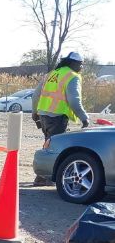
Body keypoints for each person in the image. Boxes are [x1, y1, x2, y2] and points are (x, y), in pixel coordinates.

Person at [31, 51, 89, 183]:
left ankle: (41, 177)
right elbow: (74, 100)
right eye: (81, 65)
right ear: (74, 63)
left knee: (48, 142)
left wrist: (35, 112)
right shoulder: (72, 76)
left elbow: (35, 95)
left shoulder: (51, 74)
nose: (81, 68)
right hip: (57, 116)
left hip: (44, 114)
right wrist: (84, 117)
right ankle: (44, 176)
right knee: (55, 146)